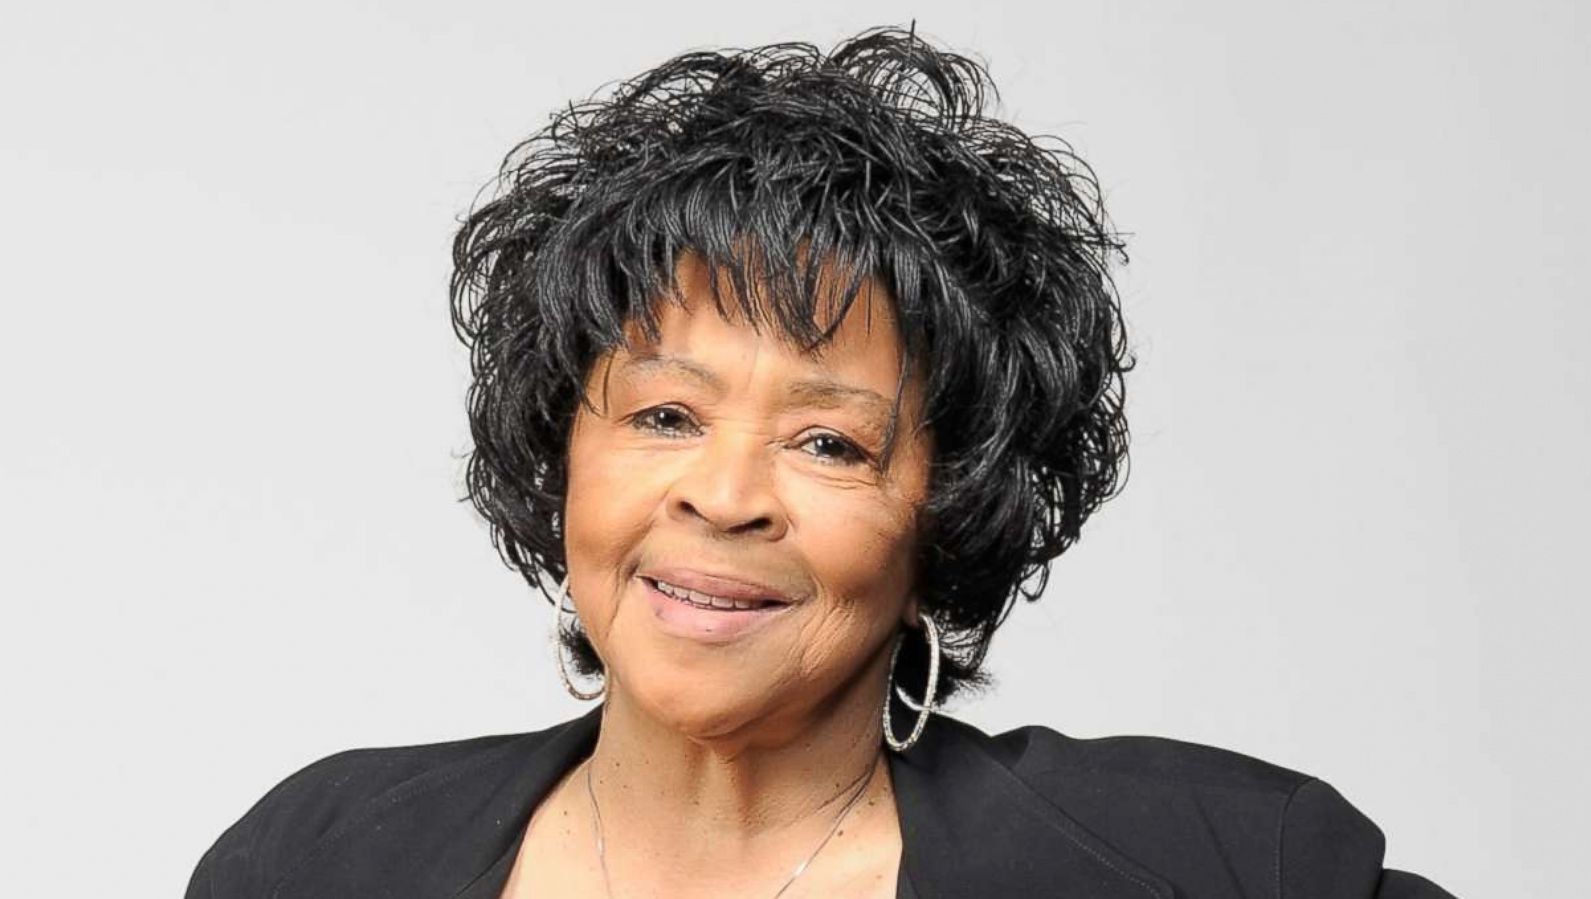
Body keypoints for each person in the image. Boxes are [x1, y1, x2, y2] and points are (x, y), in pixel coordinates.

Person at [185, 25, 1456, 899]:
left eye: (829, 440)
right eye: (666, 416)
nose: (725, 494)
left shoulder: (1214, 860)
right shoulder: (317, 853)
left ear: (946, 514)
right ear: (560, 451)